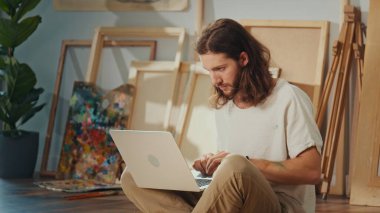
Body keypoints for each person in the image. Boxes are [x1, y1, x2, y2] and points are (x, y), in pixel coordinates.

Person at [121, 18, 323, 213]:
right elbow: (231, 171)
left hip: (280, 204)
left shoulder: (289, 97)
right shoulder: (225, 105)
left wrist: (243, 164)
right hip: (235, 198)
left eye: (220, 68)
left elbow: (312, 171)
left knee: (235, 165)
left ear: (244, 59)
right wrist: (212, 165)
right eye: (209, 70)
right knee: (133, 175)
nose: (215, 79)